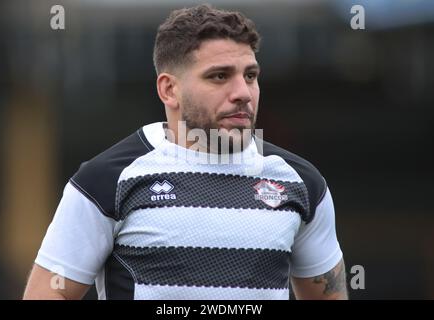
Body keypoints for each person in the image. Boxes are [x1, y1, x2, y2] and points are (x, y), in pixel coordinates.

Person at [23, 4, 347, 300]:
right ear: (169, 89)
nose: (242, 93)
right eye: (219, 76)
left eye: (250, 76)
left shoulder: (301, 183)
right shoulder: (106, 180)